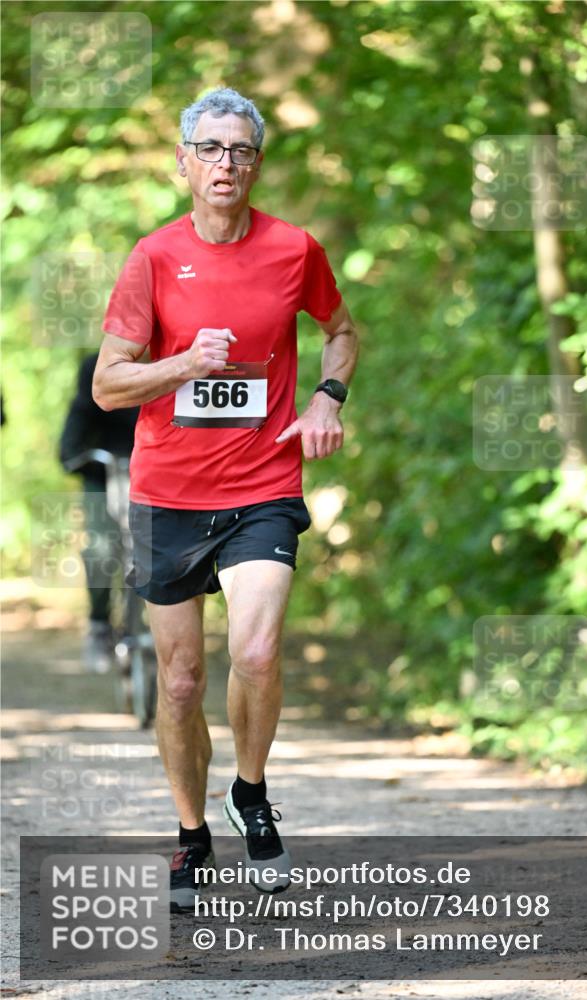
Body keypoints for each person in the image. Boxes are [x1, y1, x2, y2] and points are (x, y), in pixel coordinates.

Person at [93, 87, 359, 910]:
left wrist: (326, 399)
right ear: (183, 162)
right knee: (179, 682)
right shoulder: (151, 258)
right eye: (209, 149)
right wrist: (183, 364)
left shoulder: (293, 249)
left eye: (240, 150)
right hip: (168, 493)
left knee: (257, 651)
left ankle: (250, 791)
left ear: (257, 164)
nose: (225, 164)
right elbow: (108, 384)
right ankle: (190, 833)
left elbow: (341, 330)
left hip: (262, 485)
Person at [59, 352, 138, 672]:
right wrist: (74, 453)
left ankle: (154, 626)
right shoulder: (97, 366)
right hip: (103, 473)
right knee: (101, 547)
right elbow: (78, 418)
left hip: (155, 473)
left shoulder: (176, 360)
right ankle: (99, 624)